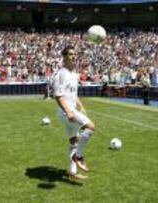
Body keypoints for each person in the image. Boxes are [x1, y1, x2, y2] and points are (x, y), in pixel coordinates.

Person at [53, 45, 95, 181]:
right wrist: (68, 111)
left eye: (75, 54)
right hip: (66, 111)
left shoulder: (74, 74)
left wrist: (81, 105)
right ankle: (78, 156)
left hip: (71, 110)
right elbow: (58, 96)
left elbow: (73, 94)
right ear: (64, 57)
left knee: (74, 140)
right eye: (70, 54)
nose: (73, 56)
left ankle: (72, 173)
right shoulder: (61, 74)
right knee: (90, 126)